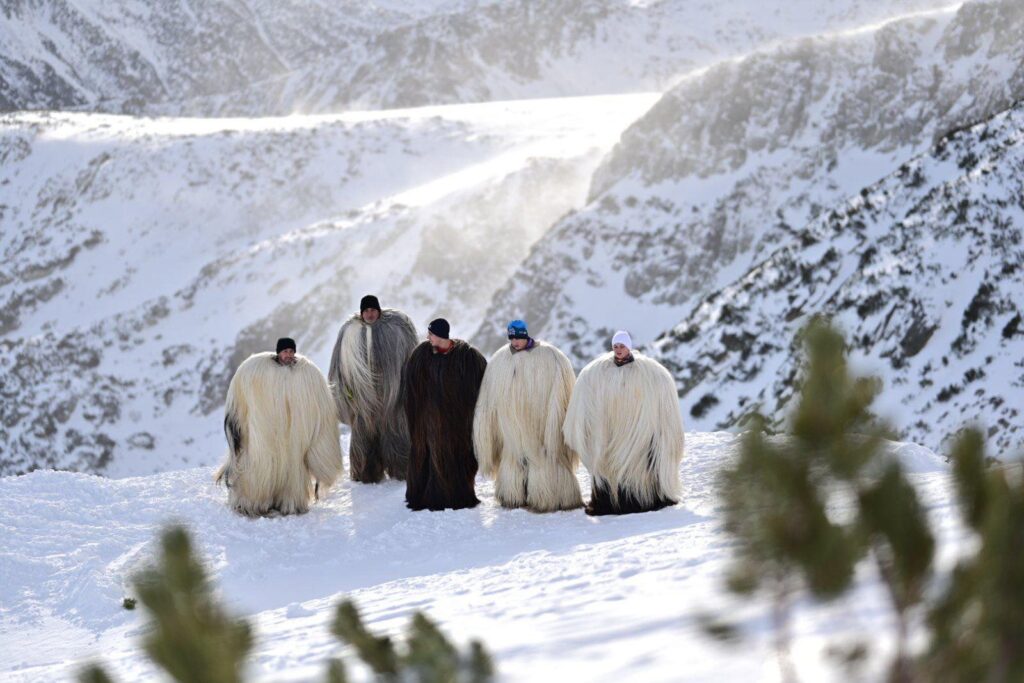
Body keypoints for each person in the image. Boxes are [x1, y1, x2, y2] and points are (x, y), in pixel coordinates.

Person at [216, 337, 343, 516]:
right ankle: (255, 502)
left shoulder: (307, 374)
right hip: (263, 435)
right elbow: (238, 407)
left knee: (291, 468)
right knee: (261, 466)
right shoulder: (254, 371)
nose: (288, 355)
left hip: (292, 438)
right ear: (278, 353)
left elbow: (322, 412)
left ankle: (289, 502)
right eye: (285, 351)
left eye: (291, 352)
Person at [563, 331, 685, 515]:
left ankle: (640, 500)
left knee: (637, 470)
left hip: (639, 438)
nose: (619, 350)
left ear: (629, 347)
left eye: (622, 346)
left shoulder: (651, 374)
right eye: (616, 347)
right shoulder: (595, 372)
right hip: (608, 437)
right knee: (609, 469)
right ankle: (612, 502)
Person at [474, 319, 582, 511]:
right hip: (511, 429)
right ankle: (514, 494)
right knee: (514, 460)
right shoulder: (501, 360)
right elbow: (489, 399)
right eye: (512, 338)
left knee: (545, 458)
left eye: (518, 338)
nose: (515, 342)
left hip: (541, 426)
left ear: (526, 336)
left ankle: (551, 496)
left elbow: (563, 394)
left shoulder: (551, 357)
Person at [328, 295, 418, 483]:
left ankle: (401, 469)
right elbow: (339, 369)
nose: (370, 314)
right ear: (361, 313)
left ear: (379, 311)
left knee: (396, 436)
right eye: (366, 311)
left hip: (392, 399)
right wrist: (348, 396)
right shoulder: (348, 333)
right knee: (364, 443)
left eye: (373, 310)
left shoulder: (397, 328)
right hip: (363, 402)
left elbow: (410, 358)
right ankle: (366, 472)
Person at [402, 318, 487, 511]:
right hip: (426, 424)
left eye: (431, 334)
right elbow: (411, 388)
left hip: (456, 424)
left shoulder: (468, 358)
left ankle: (455, 495)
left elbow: (480, 387)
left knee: (455, 458)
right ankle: (424, 495)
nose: (428, 337)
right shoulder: (421, 355)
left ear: (440, 335)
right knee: (426, 460)